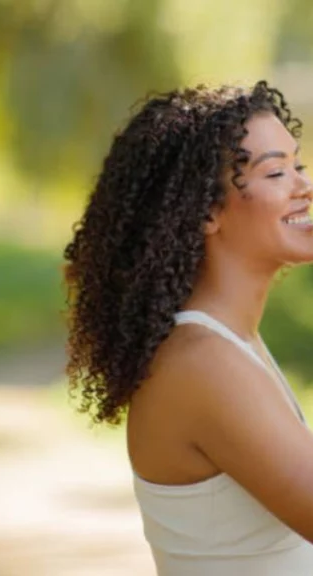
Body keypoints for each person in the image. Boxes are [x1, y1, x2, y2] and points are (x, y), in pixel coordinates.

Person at [64, 81, 313, 575]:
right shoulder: (204, 362)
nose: (303, 185)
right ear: (207, 211)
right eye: (277, 171)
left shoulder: (230, 343)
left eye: (299, 165)